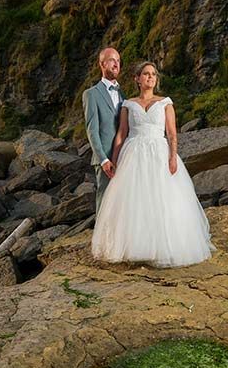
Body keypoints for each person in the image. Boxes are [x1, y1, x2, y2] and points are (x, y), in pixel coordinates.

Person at [91, 60, 214, 268]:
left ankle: (165, 246)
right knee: (134, 200)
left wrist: (173, 157)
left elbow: (172, 134)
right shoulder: (128, 104)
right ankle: (135, 246)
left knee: (163, 198)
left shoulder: (165, 102)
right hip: (134, 152)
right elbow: (121, 134)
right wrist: (114, 158)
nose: (150, 77)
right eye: (146, 74)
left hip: (159, 151)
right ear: (137, 79)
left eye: (153, 74)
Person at [82, 46, 124, 214]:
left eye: (118, 61)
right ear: (102, 64)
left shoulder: (124, 94)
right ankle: (101, 239)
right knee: (105, 198)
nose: (116, 64)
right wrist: (103, 159)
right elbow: (92, 130)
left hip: (125, 155)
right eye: (112, 60)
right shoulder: (91, 94)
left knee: (123, 199)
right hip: (105, 158)